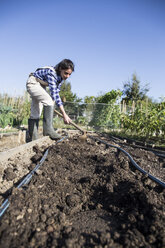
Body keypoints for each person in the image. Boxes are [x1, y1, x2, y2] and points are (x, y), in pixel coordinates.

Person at [26, 59, 74, 141]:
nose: (67, 76)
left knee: (36, 112)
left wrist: (64, 114)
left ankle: (32, 138)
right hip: (33, 83)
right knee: (49, 101)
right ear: (60, 69)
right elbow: (54, 95)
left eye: (69, 74)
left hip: (40, 86)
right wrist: (64, 114)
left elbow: (56, 94)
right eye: (66, 73)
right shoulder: (51, 73)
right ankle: (48, 130)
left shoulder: (60, 78)